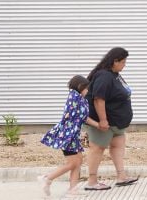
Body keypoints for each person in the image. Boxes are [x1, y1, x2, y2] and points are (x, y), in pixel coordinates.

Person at [84, 47, 137, 191]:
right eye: (123, 61)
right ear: (115, 61)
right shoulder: (104, 76)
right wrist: (103, 120)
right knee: (97, 149)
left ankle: (121, 176)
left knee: (118, 145)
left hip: (117, 122)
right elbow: (98, 99)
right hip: (105, 122)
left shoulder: (115, 74)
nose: (125, 64)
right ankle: (92, 181)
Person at [37, 75, 99, 197]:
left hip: (73, 135)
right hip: (68, 135)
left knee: (78, 160)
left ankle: (73, 189)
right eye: (86, 88)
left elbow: (82, 117)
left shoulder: (79, 98)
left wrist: (97, 125)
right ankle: (47, 178)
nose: (88, 91)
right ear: (80, 87)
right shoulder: (74, 98)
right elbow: (78, 117)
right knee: (72, 163)